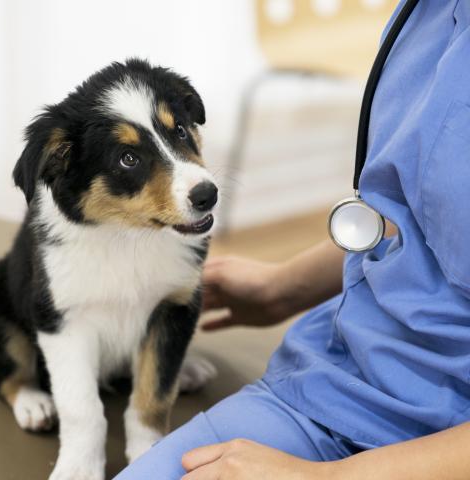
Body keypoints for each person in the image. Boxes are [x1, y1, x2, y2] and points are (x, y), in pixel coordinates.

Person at [116, 1, 470, 478]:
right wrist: (284, 286)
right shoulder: (429, 16)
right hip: (337, 387)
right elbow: (412, 217)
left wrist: (320, 477)